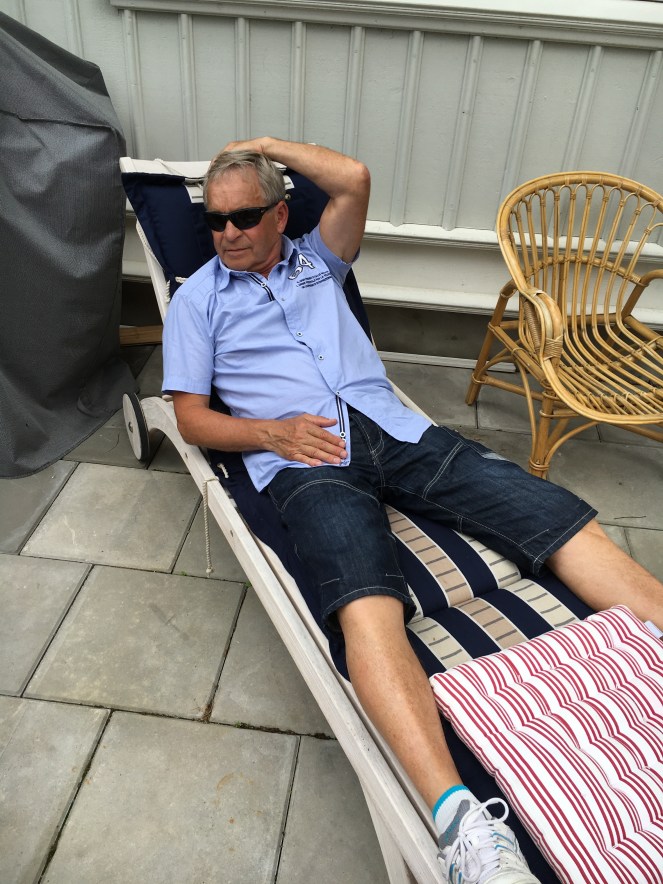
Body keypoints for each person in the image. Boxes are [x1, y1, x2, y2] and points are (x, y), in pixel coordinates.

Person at [162, 137, 663, 884]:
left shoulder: (320, 259)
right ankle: (465, 829)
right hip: (306, 459)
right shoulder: (197, 299)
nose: (227, 233)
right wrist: (271, 433)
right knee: (367, 602)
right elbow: (190, 418)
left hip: (400, 432)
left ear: (280, 214)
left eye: (244, 216)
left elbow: (353, 178)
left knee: (553, 518)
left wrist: (259, 146)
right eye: (214, 220)